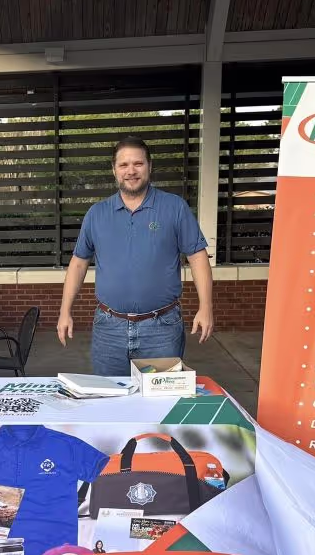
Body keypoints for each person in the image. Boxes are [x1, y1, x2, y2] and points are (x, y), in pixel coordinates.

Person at [56, 136, 213, 376]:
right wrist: (64, 311)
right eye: (124, 165)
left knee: (160, 397)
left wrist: (206, 307)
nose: (131, 171)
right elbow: (78, 263)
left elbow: (197, 257)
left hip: (162, 328)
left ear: (149, 166)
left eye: (138, 163)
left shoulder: (175, 207)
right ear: (114, 170)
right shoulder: (97, 214)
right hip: (109, 329)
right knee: (111, 395)